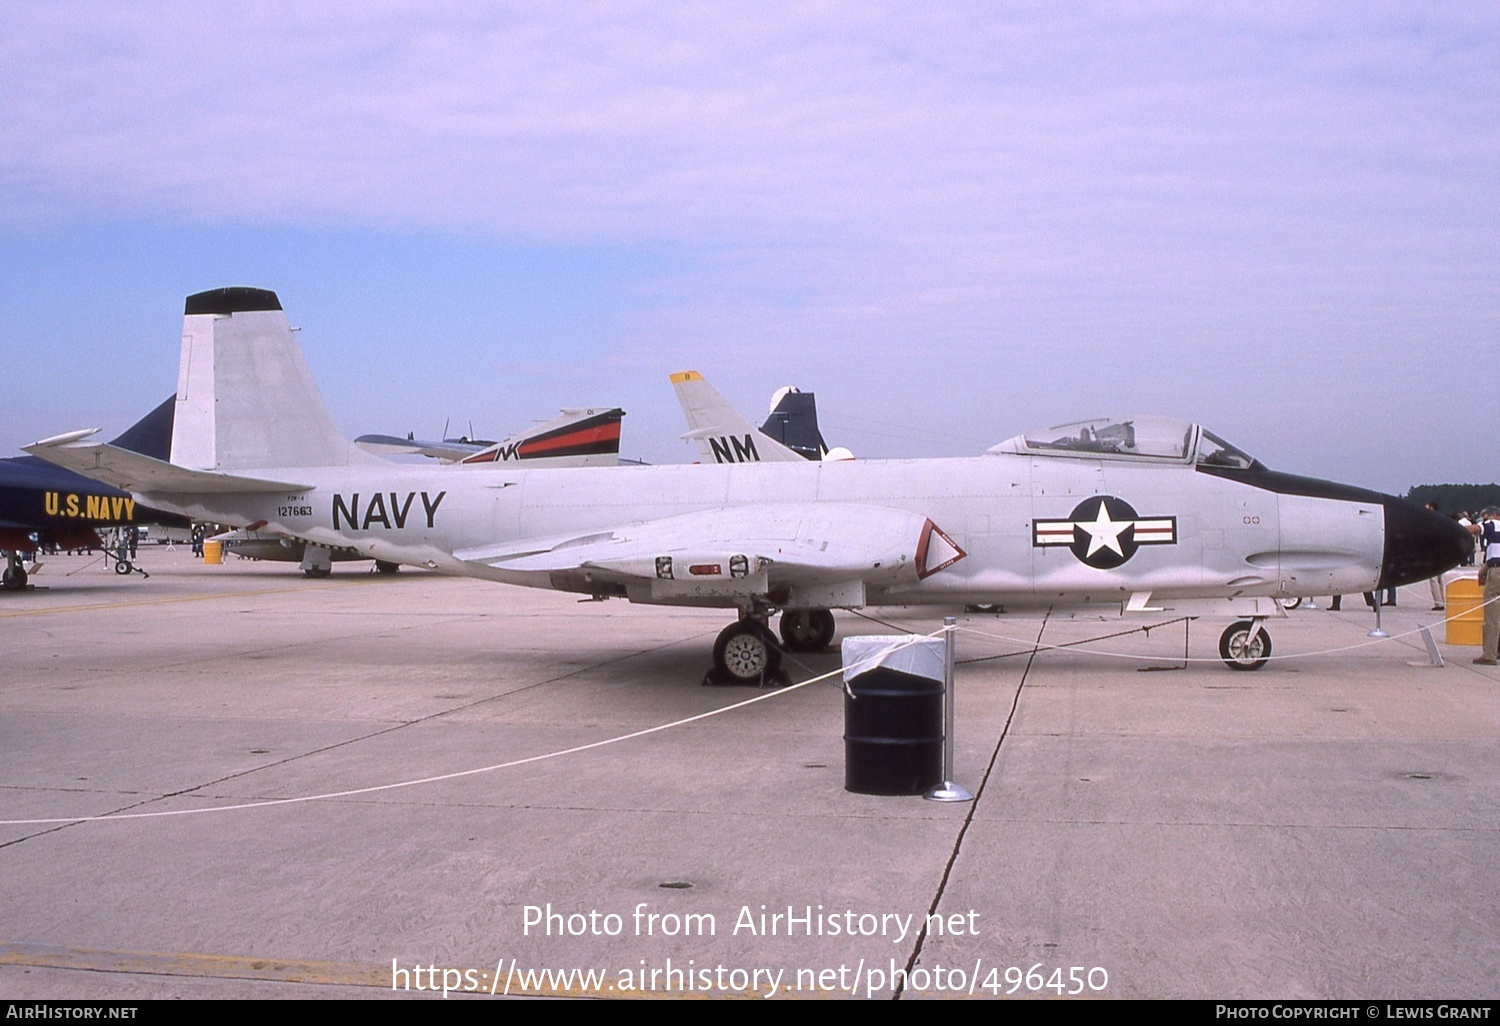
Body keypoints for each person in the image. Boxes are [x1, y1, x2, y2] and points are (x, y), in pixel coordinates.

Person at [1475, 507, 1500, 666]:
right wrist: (1481, 572)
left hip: (1496, 572)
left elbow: (1475, 529)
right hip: (1494, 566)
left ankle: (1489, 654)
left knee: (1491, 615)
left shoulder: (1493, 524)